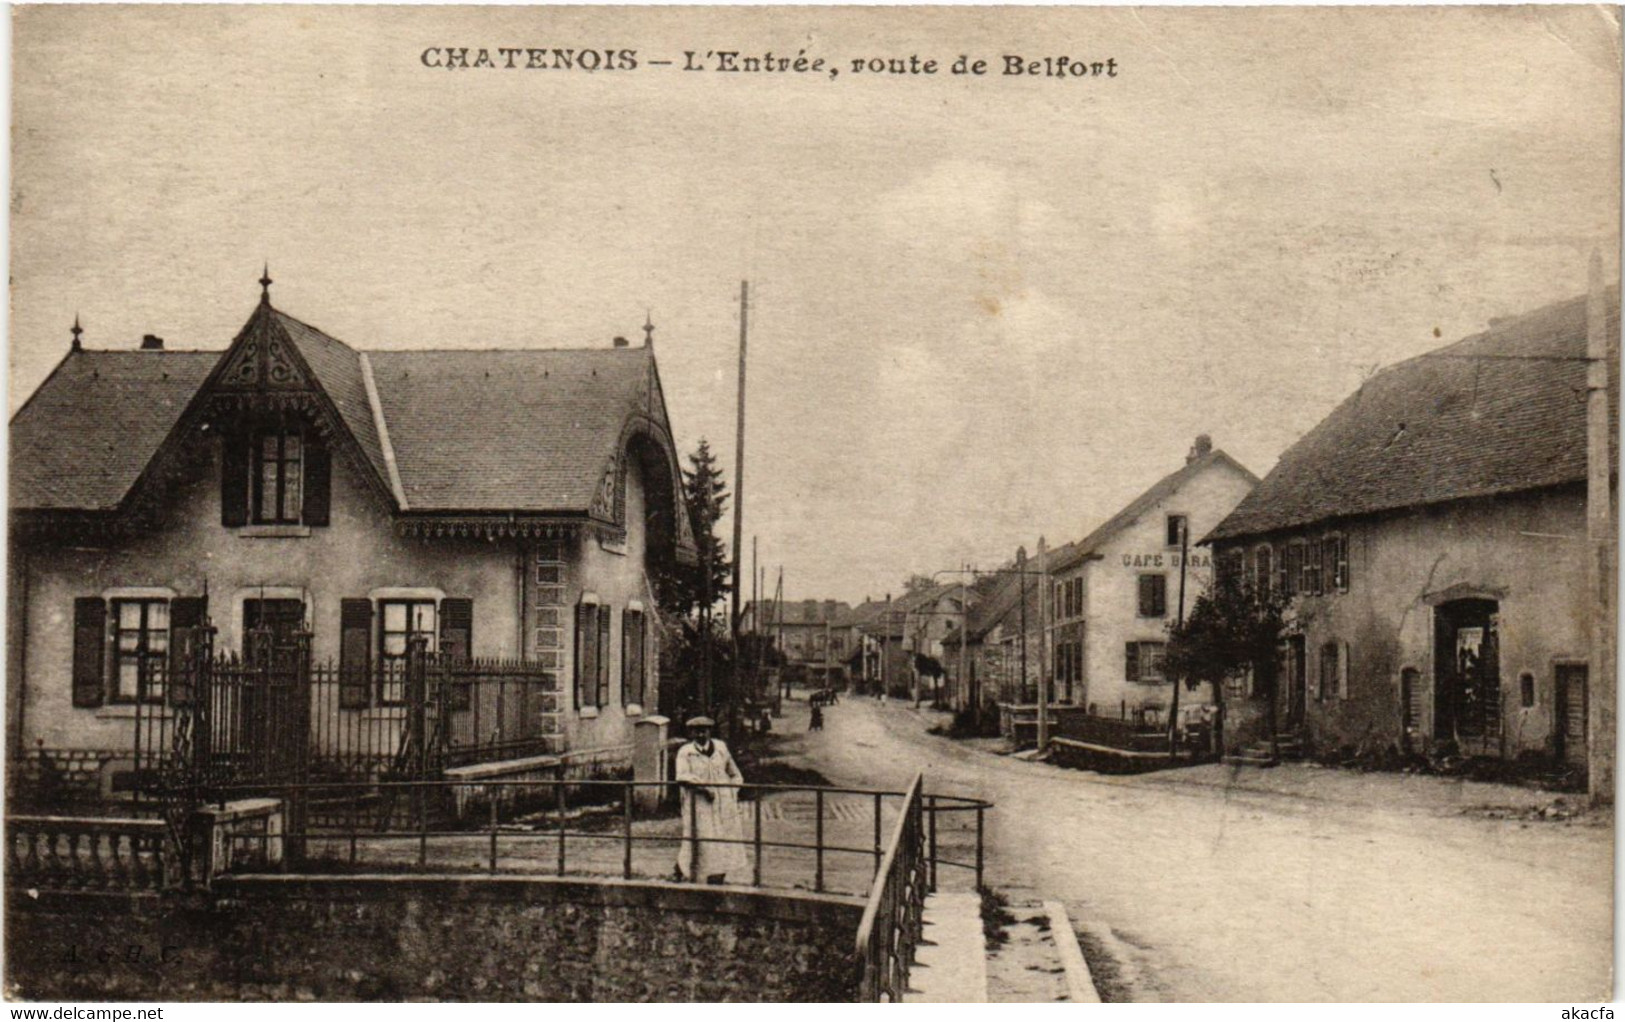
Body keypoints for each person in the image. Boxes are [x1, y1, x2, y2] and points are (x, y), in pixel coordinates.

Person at [674, 716, 748, 884]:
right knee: (700, 838)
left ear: (709, 731)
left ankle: (718, 876)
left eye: (704, 730)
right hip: (699, 804)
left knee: (724, 838)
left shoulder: (721, 748)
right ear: (691, 732)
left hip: (723, 804)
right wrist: (704, 788)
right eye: (697, 730)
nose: (701, 734)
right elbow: (682, 776)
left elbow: (735, 774)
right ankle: (681, 869)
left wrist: (731, 792)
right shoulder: (686, 752)